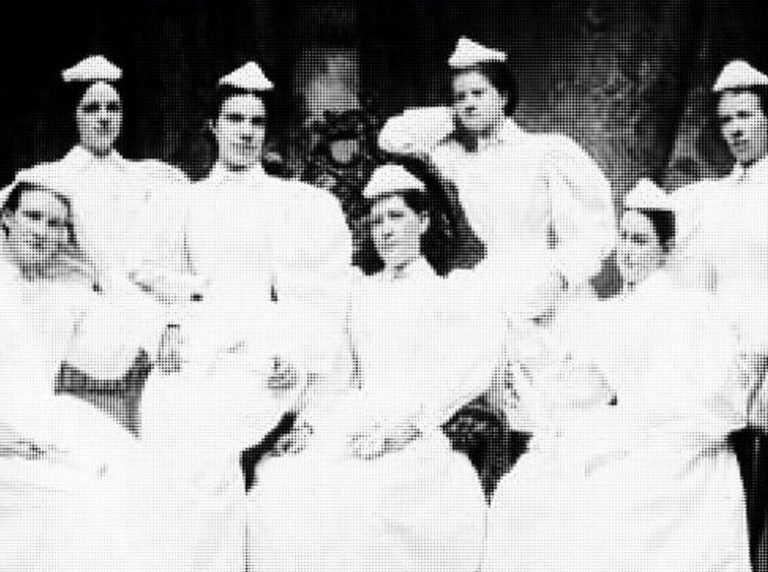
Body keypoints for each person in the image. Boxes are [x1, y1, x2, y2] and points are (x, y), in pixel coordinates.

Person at [138, 60, 352, 572]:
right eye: (235, 119)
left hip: (265, 354)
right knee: (168, 420)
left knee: (208, 448)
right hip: (198, 347)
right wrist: (166, 324)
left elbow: (312, 297)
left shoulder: (294, 203)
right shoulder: (182, 201)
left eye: (257, 122)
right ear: (212, 126)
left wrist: (294, 358)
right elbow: (152, 278)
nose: (248, 132)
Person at [247, 162, 506, 572]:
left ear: (422, 222)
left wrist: (408, 428)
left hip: (413, 426)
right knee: (282, 483)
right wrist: (311, 423)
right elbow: (341, 375)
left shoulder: (449, 295)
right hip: (354, 416)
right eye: (376, 221)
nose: (385, 230)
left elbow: (467, 371)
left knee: (370, 499)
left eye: (396, 217)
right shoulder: (359, 292)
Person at [482, 179, 751, 572]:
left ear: (667, 250)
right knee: (525, 489)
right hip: (630, 433)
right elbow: (587, 388)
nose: (626, 251)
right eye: (623, 238)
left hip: (684, 447)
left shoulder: (693, 308)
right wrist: (535, 378)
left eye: (640, 241)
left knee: (607, 504)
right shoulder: (611, 314)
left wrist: (670, 435)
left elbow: (724, 399)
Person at [0, 166, 182, 572]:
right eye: (32, 217)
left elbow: (109, 364)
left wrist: (100, 281)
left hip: (40, 419)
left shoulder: (63, 294)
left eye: (56, 224)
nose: (42, 232)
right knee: (71, 503)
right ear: (6, 218)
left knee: (142, 486)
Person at [378, 36, 616, 323]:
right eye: (460, 97)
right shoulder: (460, 161)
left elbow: (593, 234)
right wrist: (453, 117)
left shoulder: (547, 150)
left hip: (547, 280)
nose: (468, 104)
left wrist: (561, 280)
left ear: (502, 97)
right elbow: (391, 138)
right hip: (492, 282)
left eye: (479, 93)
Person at [26, 54, 190, 297]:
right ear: (74, 115)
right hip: (79, 304)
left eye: (113, 108)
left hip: (143, 306)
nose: (104, 117)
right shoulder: (49, 180)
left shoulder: (151, 178)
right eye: (92, 108)